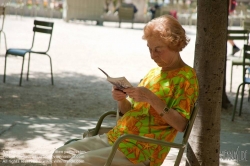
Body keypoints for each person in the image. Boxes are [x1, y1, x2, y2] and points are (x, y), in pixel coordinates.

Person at [52, 15, 199, 166]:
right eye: (149, 49)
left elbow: (181, 125)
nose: (152, 56)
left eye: (158, 50)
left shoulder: (186, 77)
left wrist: (151, 98)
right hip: (118, 137)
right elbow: (127, 111)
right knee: (60, 155)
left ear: (174, 44)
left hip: (141, 149)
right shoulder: (154, 72)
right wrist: (121, 98)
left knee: (77, 163)